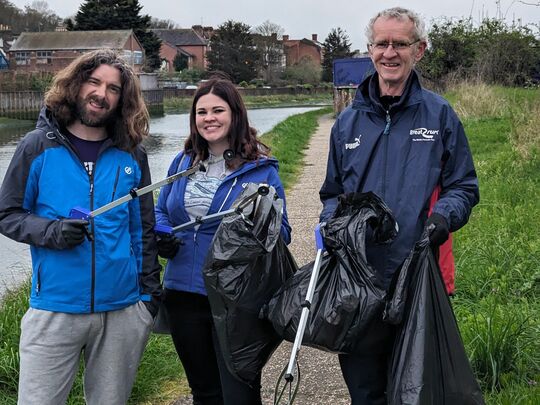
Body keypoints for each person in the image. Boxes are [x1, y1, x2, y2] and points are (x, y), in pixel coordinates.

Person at [319, 7, 480, 405]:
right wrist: (331, 225)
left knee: (416, 392)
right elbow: (332, 194)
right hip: (357, 283)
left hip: (419, 277)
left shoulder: (439, 115)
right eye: (381, 44)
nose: (389, 53)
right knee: (366, 392)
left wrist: (445, 217)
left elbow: (464, 185)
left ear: (419, 50)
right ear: (370, 49)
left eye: (400, 44)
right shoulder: (347, 122)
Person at [0, 49, 161, 404]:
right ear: (76, 84)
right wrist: (51, 232)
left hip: (122, 310)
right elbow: (7, 214)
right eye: (94, 82)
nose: (101, 93)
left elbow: (142, 230)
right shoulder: (36, 147)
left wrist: (147, 300)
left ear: (122, 99)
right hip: (54, 308)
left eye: (113, 88)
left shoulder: (132, 154)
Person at [155, 76, 291, 405]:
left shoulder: (261, 170)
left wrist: (247, 230)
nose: (209, 118)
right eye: (201, 112)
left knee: (240, 394)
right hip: (183, 296)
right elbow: (161, 210)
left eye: (218, 110)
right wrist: (161, 234)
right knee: (205, 394)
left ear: (234, 114)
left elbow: (282, 232)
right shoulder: (182, 162)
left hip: (236, 301)